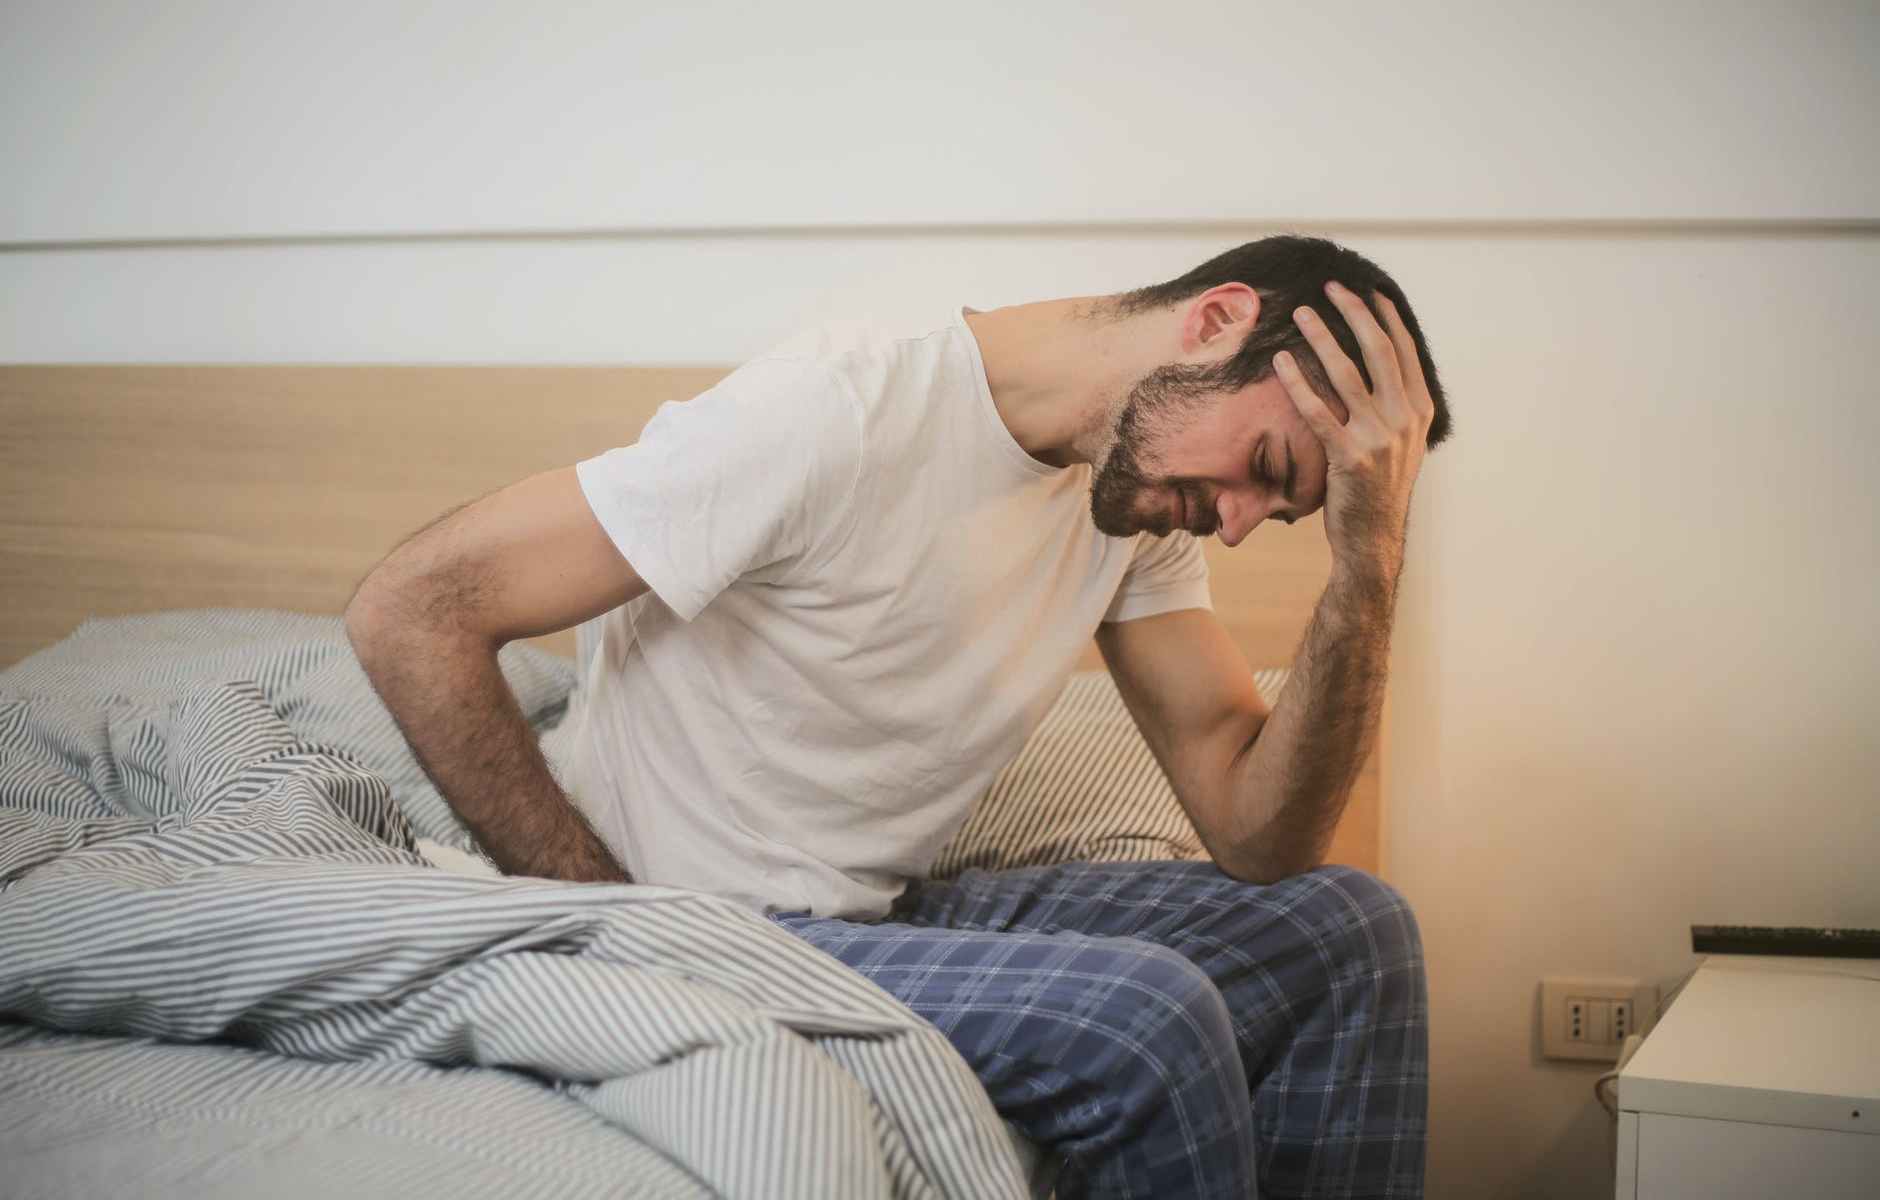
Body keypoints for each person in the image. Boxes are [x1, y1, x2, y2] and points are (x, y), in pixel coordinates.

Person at [346, 234, 1451, 1200]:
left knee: (1345, 931)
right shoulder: (836, 411)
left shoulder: (1133, 503)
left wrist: (1367, 555)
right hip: (701, 921)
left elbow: (1259, 837)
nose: (1240, 524)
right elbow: (413, 609)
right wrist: (611, 919)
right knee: (1144, 1019)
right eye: (1264, 467)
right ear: (1214, 321)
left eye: (1281, 510)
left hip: (870, 915)